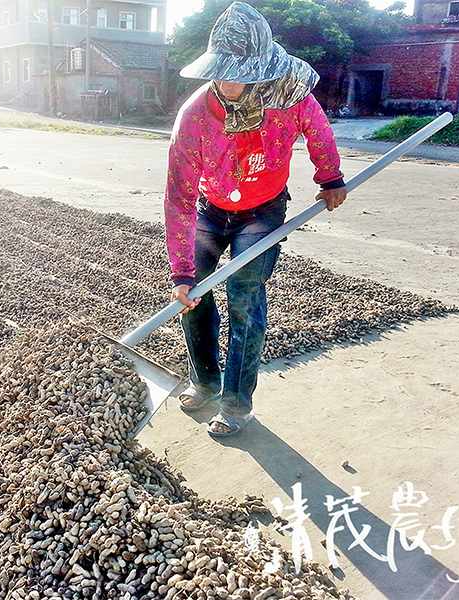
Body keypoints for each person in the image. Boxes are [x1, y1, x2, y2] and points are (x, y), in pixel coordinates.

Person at [164, 2, 347, 438]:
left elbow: (318, 130)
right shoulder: (194, 116)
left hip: (263, 210)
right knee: (194, 296)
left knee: (244, 298)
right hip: (211, 208)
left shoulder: (288, 95)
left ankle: (235, 404)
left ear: (263, 70)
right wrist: (182, 271)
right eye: (226, 72)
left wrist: (331, 177)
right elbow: (179, 196)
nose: (233, 83)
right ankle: (204, 381)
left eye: (245, 73)